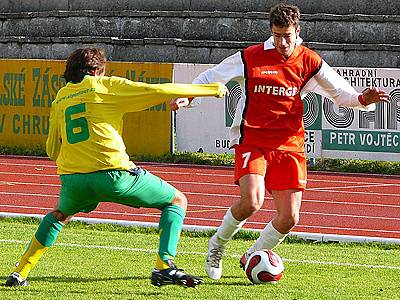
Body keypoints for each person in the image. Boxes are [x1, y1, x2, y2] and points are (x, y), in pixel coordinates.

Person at [172, 3, 390, 280]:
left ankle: (253, 255)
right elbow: (210, 77)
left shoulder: (309, 60)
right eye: (277, 35)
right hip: (253, 138)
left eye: (287, 35)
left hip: (289, 144)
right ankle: (216, 246)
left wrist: (362, 99)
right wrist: (187, 96)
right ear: (271, 32)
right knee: (252, 202)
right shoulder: (250, 56)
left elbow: (340, 94)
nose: (282, 42)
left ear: (297, 30)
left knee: (289, 218)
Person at [5, 48, 226, 288]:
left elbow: (51, 151)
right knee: (176, 201)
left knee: (59, 215)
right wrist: (211, 89)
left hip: (74, 181)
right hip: (114, 175)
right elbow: (158, 90)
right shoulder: (105, 86)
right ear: (96, 70)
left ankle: (20, 272)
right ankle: (164, 265)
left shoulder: (61, 98)